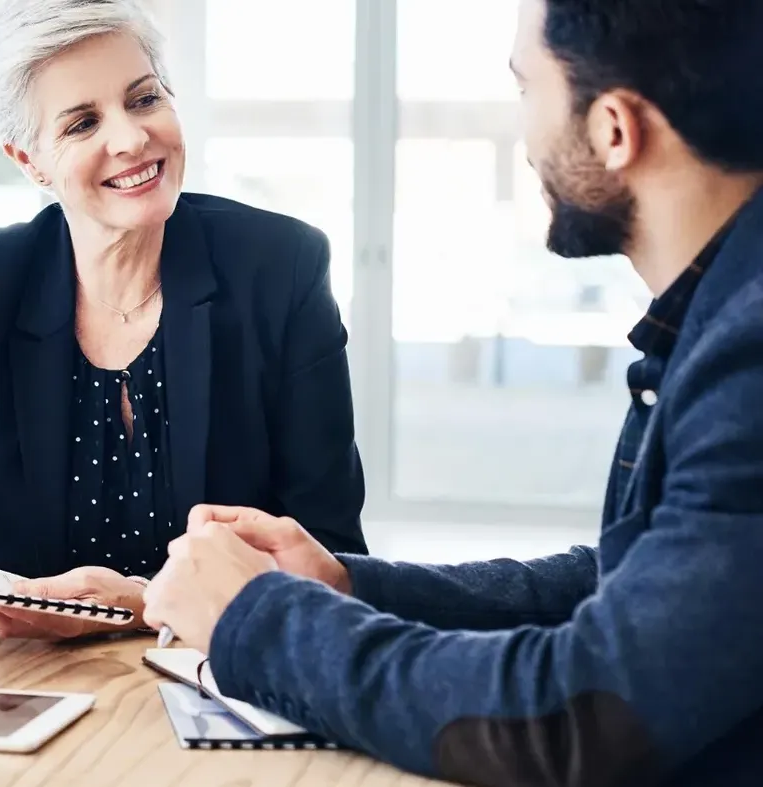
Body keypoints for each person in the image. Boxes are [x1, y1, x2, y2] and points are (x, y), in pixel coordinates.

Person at [142, 0, 763, 784]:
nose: (524, 137)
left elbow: (575, 714)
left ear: (614, 129)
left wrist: (255, 620)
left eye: (526, 90)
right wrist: (346, 581)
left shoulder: (748, 356)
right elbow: (626, 579)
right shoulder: (723, 312)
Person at [0, 0, 368, 640]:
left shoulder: (280, 268)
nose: (132, 138)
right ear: (30, 162)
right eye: (82, 124)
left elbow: (330, 559)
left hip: (216, 678)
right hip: (11, 679)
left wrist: (139, 604)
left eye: (143, 100)